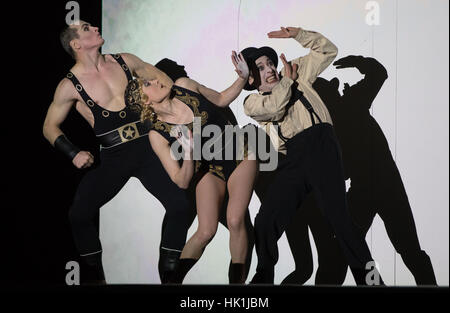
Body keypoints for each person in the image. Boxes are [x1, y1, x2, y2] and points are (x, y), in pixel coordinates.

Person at [42, 21, 192, 284]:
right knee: (78, 214)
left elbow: (164, 80)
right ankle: (96, 277)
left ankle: (169, 274)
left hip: (148, 147)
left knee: (181, 206)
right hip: (114, 156)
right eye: (87, 28)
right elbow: (49, 127)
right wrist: (73, 153)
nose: (95, 29)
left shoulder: (125, 60)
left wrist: (164, 107)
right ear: (76, 44)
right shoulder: (70, 85)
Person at [241, 26, 383, 285]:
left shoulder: (294, 72)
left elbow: (328, 50)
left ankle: (372, 281)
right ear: (250, 79)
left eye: (270, 63)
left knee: (340, 221)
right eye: (260, 67)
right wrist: (287, 81)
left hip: (321, 145)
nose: (270, 69)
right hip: (292, 158)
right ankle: (263, 280)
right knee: (265, 220)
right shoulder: (252, 102)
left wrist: (298, 34)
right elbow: (274, 107)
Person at [124, 52, 258, 284]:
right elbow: (181, 180)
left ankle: (237, 285)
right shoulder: (157, 134)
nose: (156, 80)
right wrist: (187, 153)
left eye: (153, 78)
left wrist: (243, 78)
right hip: (209, 167)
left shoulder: (185, 86)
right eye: (148, 83)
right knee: (206, 231)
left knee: (235, 219)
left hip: (241, 153)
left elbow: (222, 98)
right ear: (145, 101)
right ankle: (173, 282)